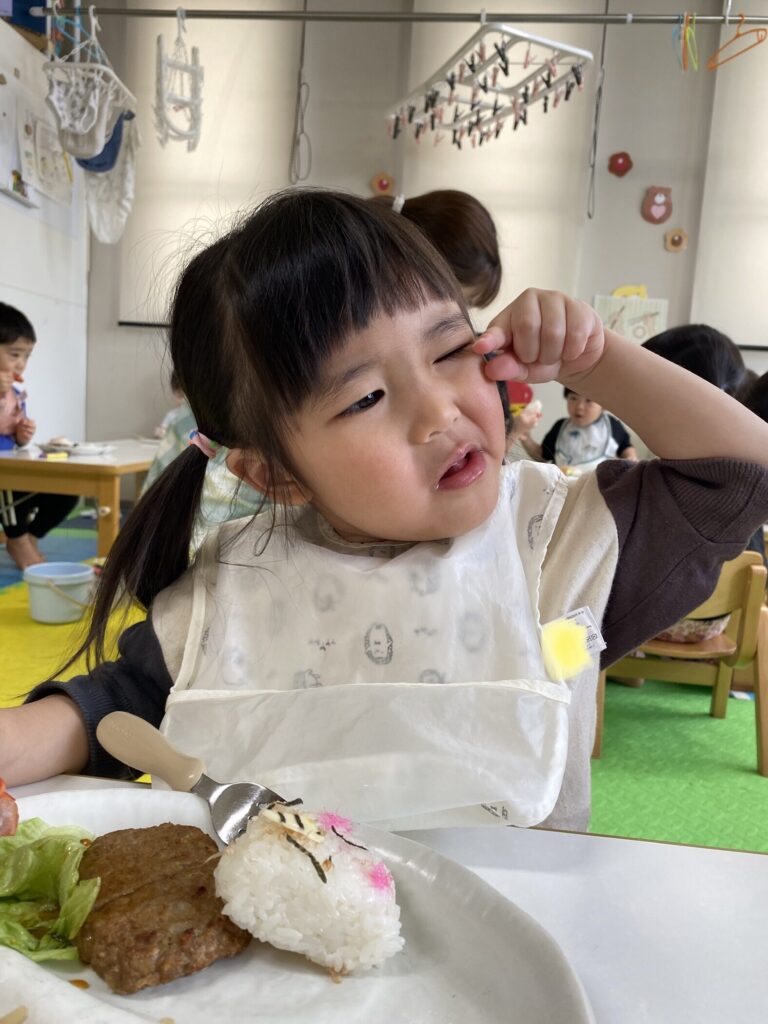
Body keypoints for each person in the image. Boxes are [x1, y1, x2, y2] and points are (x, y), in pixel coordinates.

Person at [2, 190, 768, 834]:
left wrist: (595, 360)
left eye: (449, 351)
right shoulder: (239, 582)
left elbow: (740, 475)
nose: (439, 412)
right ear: (275, 474)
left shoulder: (554, 545)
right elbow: (115, 709)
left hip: (507, 951)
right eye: (366, 397)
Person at [0, 303, 78, 569]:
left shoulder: (16, 393)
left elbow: (12, 437)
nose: (21, 364)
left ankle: (29, 536)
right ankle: (18, 541)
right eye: (14, 354)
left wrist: (22, 435)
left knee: (67, 490)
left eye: (27, 356)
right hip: (4, 479)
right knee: (8, 484)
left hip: (13, 468)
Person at [522, 387, 636, 472]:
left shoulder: (611, 426)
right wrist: (525, 437)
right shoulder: (560, 427)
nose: (579, 406)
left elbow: (625, 446)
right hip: (561, 487)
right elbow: (542, 456)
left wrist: (631, 458)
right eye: (573, 398)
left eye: (589, 400)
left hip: (596, 487)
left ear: (603, 405)